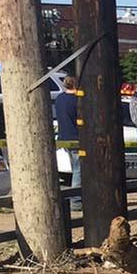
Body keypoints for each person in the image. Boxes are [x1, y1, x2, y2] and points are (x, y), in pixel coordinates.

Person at [54, 75, 82, 210]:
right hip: (76, 138)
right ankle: (76, 201)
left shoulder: (59, 99)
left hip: (63, 138)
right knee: (79, 170)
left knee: (75, 168)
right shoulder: (77, 101)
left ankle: (77, 198)